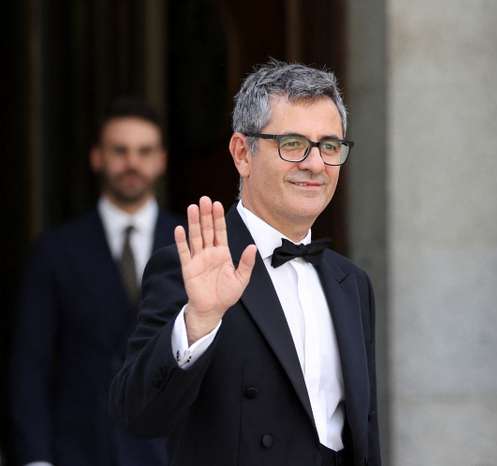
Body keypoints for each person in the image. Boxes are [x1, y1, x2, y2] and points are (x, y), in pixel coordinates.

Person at [109, 60, 381, 466]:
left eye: (329, 146)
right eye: (292, 144)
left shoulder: (352, 284)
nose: (314, 164)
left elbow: (363, 436)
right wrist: (198, 321)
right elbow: (138, 415)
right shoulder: (190, 267)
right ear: (242, 154)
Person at [9, 97, 176, 466]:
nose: (132, 162)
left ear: (161, 160)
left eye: (144, 151)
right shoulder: (54, 251)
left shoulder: (191, 244)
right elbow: (29, 367)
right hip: (78, 451)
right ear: (97, 157)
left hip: (166, 453)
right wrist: (36, 460)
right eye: (120, 150)